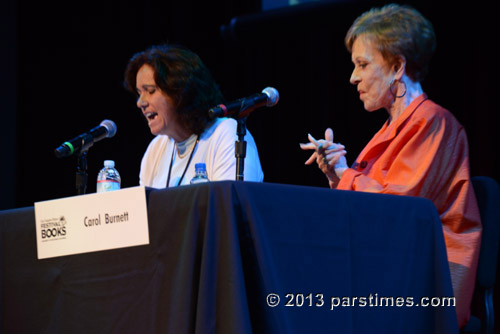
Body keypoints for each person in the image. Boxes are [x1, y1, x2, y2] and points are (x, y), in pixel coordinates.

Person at [300, 4, 481, 329]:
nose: (353, 77)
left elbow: (398, 212)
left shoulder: (433, 123)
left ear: (398, 66)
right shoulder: (388, 131)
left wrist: (345, 174)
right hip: (386, 273)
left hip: (425, 285)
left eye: (362, 64)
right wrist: (335, 176)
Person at [124, 44, 264, 187]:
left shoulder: (225, 133)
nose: (140, 103)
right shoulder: (155, 150)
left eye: (151, 91)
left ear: (180, 93)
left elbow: (229, 205)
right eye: (139, 93)